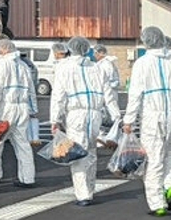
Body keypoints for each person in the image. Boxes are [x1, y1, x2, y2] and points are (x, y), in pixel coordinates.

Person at [122, 26, 171, 217]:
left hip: (152, 118)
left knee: (153, 161)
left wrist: (129, 120)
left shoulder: (142, 63)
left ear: (146, 41)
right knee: (169, 154)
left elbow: (135, 95)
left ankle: (157, 203)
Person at [50, 36, 121, 207]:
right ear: (86, 49)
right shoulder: (96, 68)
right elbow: (108, 94)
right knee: (90, 152)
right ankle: (89, 189)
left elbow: (58, 96)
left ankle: (83, 195)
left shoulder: (64, 68)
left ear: (70, 49)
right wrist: (116, 114)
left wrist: (55, 119)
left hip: (76, 114)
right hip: (94, 114)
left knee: (78, 152)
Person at [0, 39, 38, 188]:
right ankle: (27, 178)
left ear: (4, 50)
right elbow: (31, 90)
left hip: (5, 108)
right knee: (22, 144)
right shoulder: (24, 65)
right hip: (22, 109)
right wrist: (33, 110)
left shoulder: (1, 64)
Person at [92, 44, 121, 147]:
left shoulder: (106, 64)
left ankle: (113, 136)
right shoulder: (104, 63)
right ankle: (104, 137)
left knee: (112, 112)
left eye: (95, 53)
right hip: (106, 91)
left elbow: (108, 80)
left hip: (107, 91)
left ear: (100, 53)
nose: (94, 55)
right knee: (104, 114)